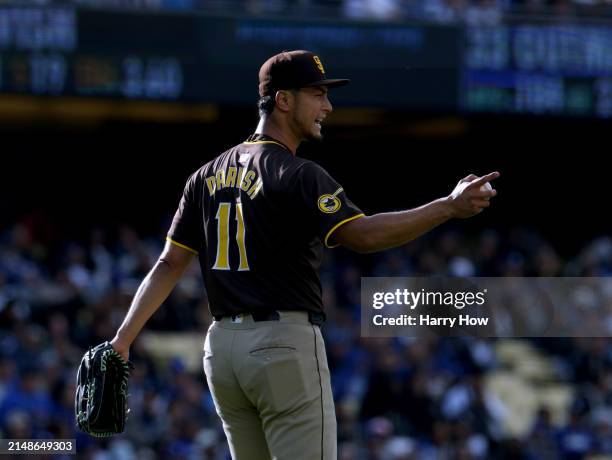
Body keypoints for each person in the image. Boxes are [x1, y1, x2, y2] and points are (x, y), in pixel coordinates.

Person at [110, 49, 499, 460]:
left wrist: (122, 340)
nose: (327, 106)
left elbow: (169, 263)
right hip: (281, 346)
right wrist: (447, 206)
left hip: (222, 351)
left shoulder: (203, 176)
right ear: (283, 100)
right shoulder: (296, 174)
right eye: (316, 94)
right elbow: (362, 236)